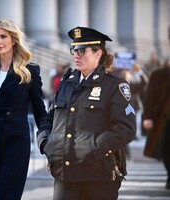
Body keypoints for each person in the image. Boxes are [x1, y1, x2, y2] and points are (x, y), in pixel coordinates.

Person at [37, 27, 136, 200]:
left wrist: (93, 149)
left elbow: (125, 127)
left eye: (82, 50)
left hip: (97, 173)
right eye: (74, 50)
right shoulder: (66, 83)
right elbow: (49, 119)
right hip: (64, 174)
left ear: (98, 54)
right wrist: (48, 145)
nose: (76, 55)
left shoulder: (114, 85)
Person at [0, 19, 48, 200]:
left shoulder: (29, 71)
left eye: (3, 36)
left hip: (15, 144)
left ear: (14, 39)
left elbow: (39, 110)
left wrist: (47, 141)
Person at [143, 57, 170, 190]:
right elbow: (149, 97)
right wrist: (147, 117)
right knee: (166, 150)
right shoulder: (158, 75)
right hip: (163, 121)